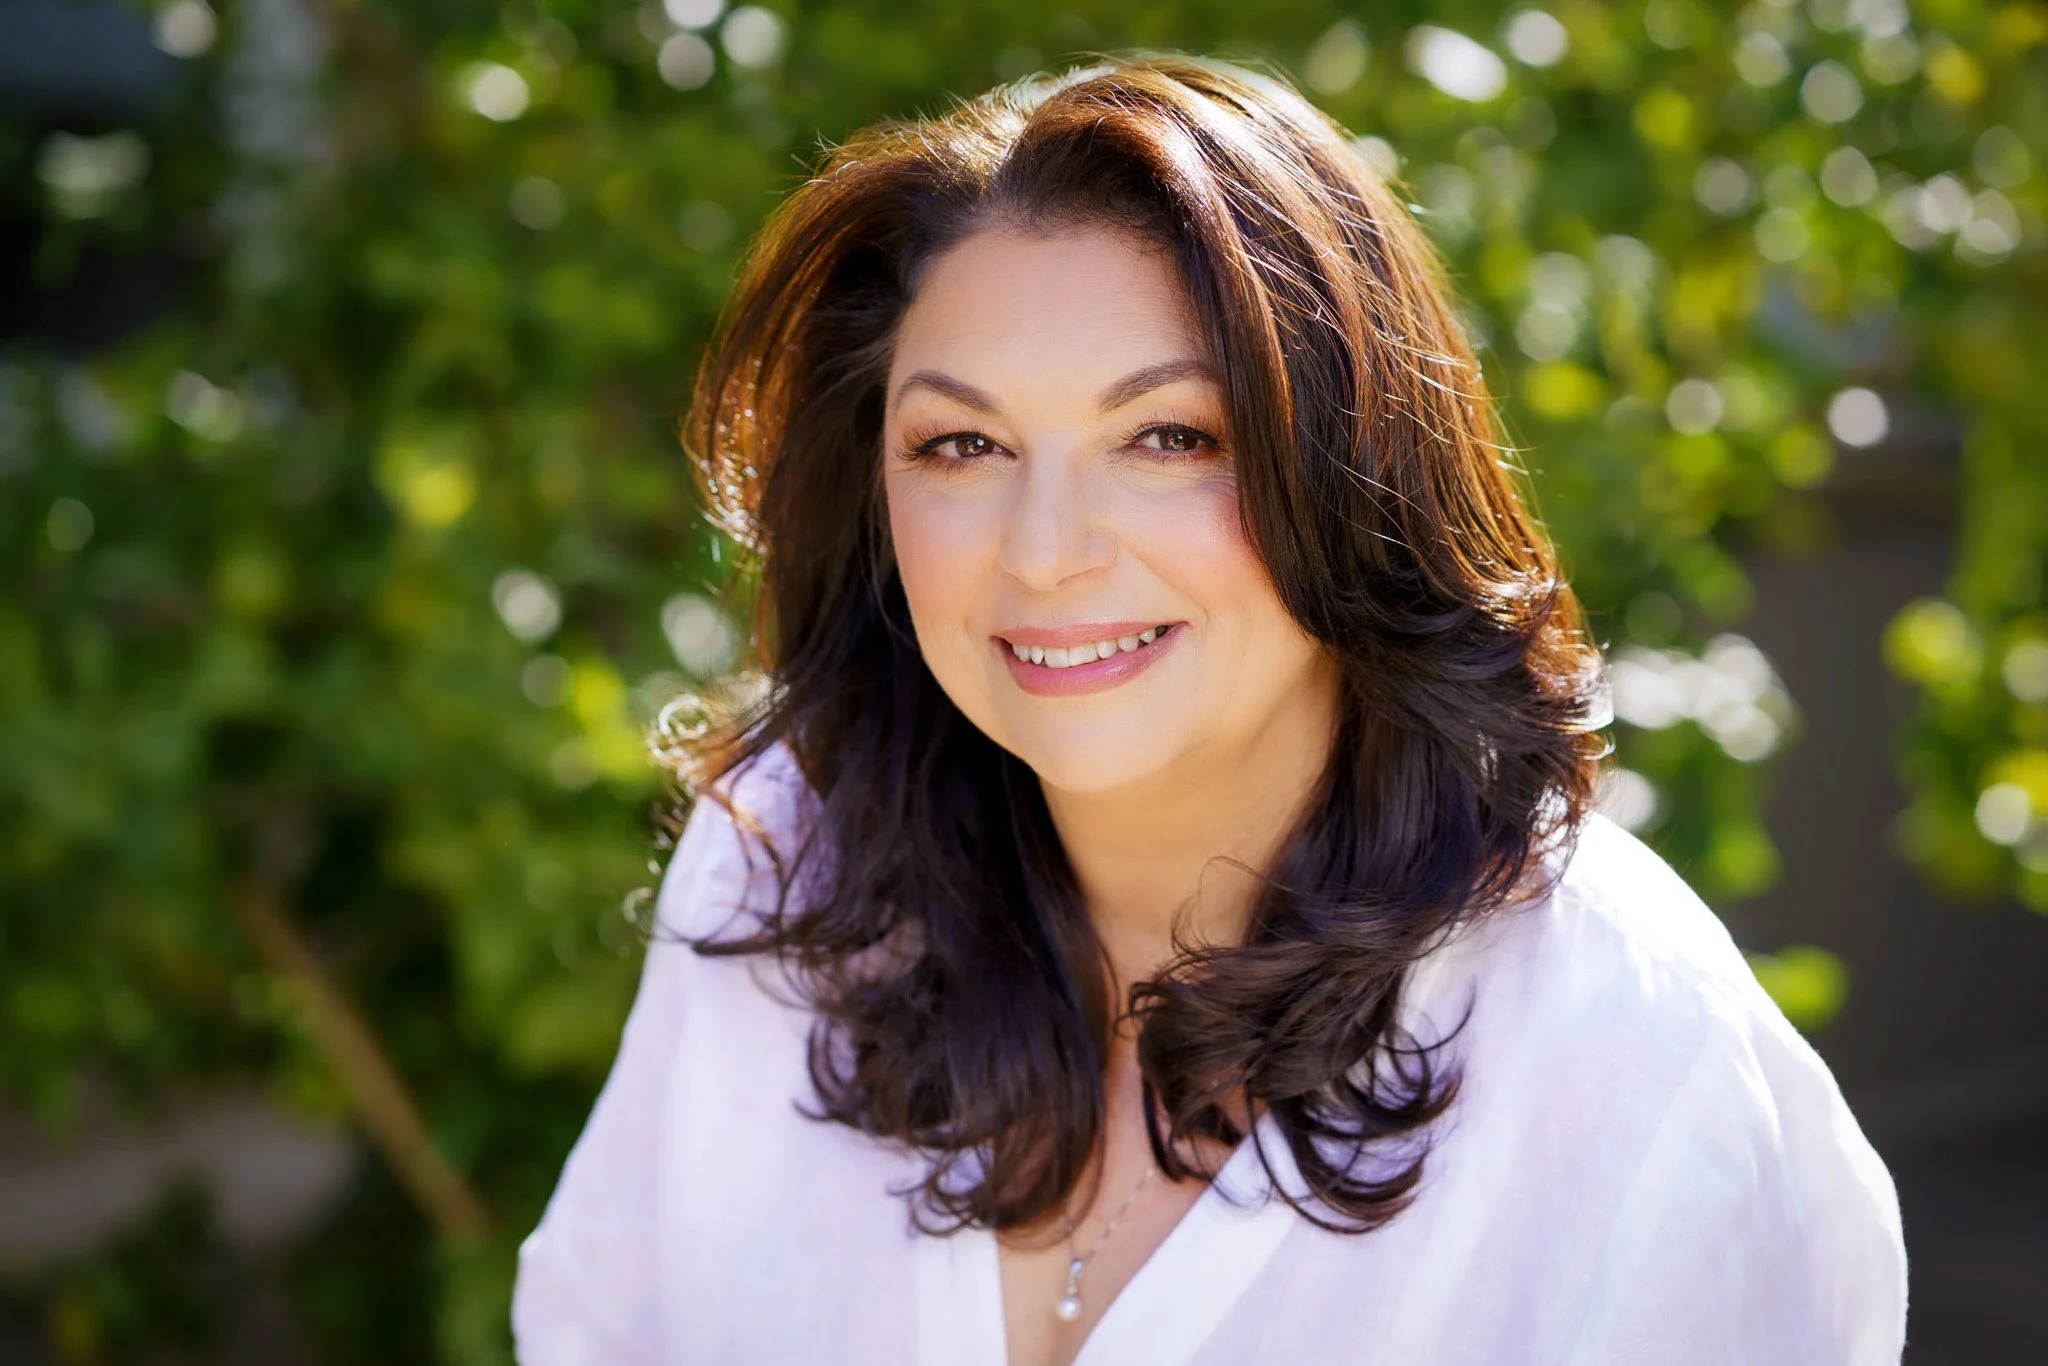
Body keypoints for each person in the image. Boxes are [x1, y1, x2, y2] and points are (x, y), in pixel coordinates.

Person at [511, 55, 1906, 1366]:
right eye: (962, 444)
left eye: (1167, 435)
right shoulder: (778, 874)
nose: (1045, 548)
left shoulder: (1634, 1060)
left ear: (1349, 469)